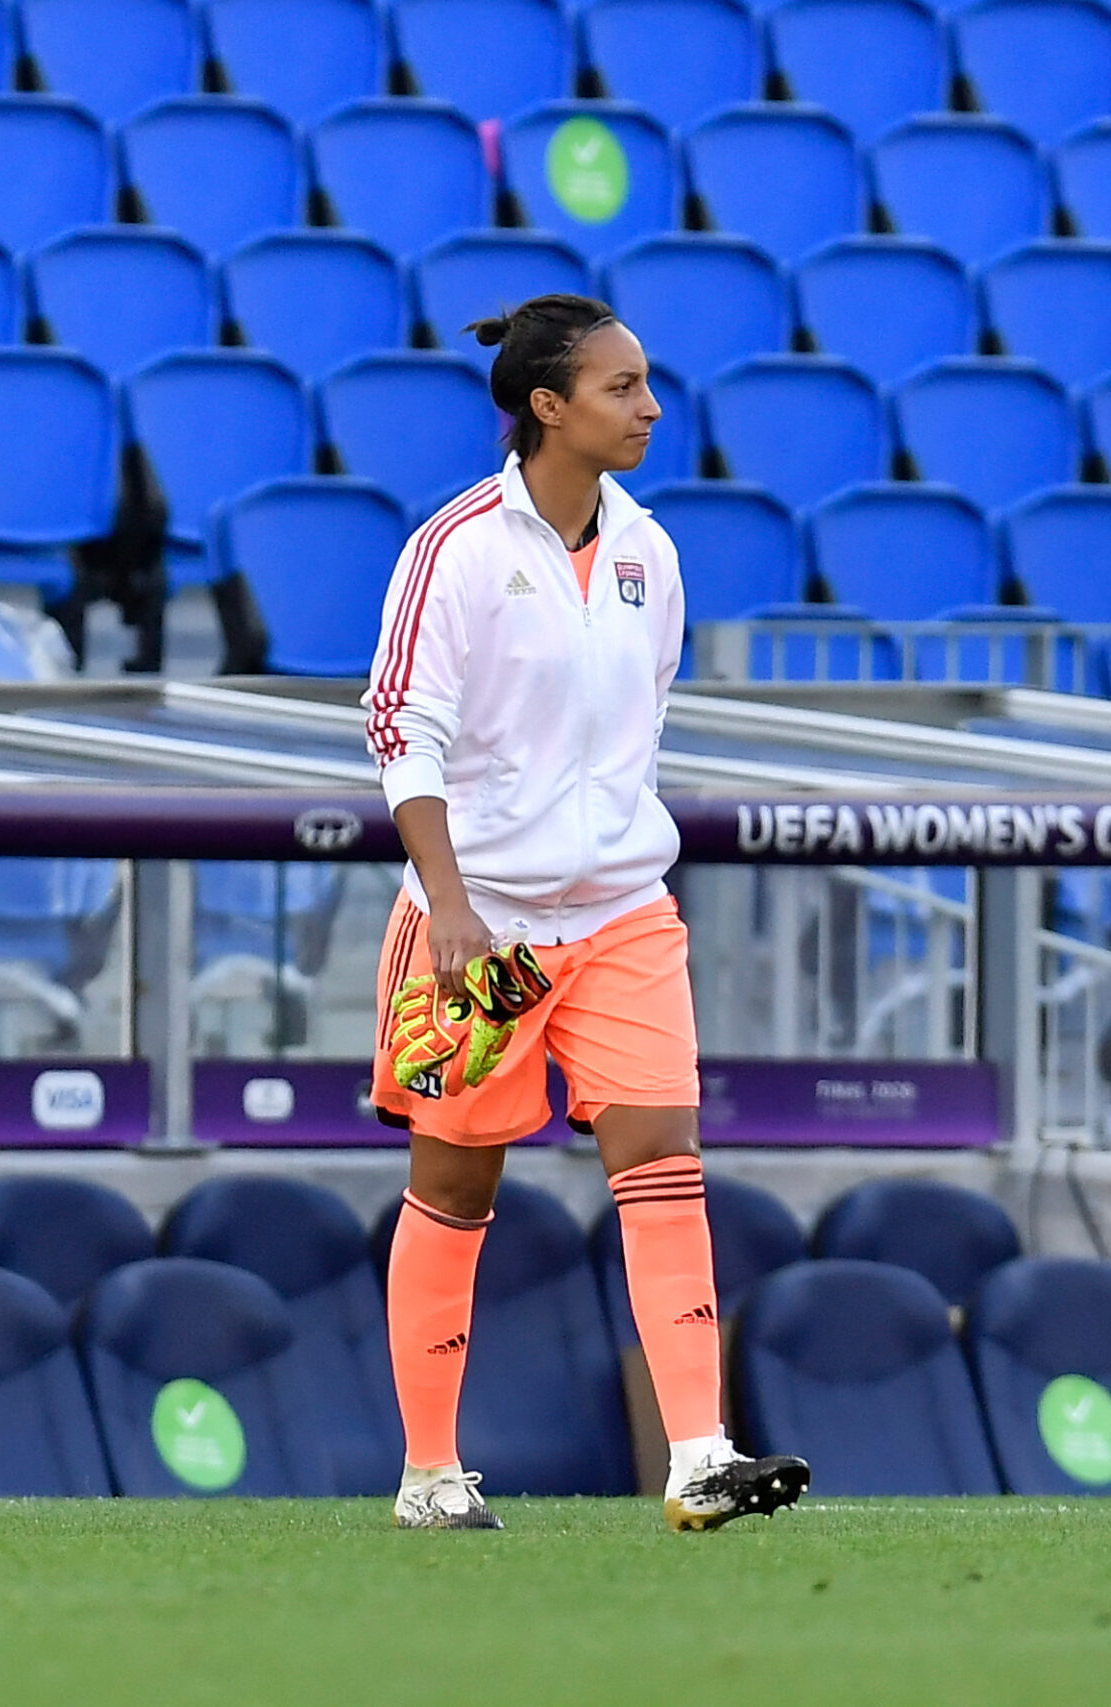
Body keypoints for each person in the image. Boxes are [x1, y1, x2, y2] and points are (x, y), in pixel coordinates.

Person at [363, 294, 808, 1532]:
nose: (651, 408)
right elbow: (403, 729)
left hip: (622, 912)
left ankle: (700, 1455)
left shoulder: (648, 553)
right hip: (485, 929)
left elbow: (642, 729)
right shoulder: (452, 548)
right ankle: (429, 1475)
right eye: (621, 388)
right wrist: (447, 905)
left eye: (647, 383)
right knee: (455, 1187)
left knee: (663, 1157)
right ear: (545, 407)